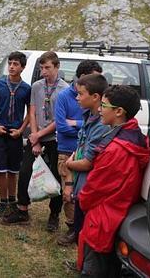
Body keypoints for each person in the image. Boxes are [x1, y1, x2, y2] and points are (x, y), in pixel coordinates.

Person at [77, 85, 150, 276]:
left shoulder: (115, 150)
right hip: (120, 211)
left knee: (94, 268)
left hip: (102, 218)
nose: (99, 109)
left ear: (118, 111)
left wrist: (82, 201)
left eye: (104, 105)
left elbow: (94, 188)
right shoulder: (137, 138)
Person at [3, 51, 68, 227]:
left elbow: (59, 120)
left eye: (47, 68)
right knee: (24, 171)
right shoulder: (37, 86)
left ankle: (54, 214)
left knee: (55, 175)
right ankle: (22, 209)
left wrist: (40, 135)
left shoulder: (65, 90)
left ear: (57, 67)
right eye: (41, 68)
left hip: (54, 138)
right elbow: (32, 111)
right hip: (36, 135)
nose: (43, 71)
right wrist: (36, 138)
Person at [54, 60, 103, 245]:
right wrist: (78, 128)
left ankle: (81, 233)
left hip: (80, 157)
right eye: (94, 77)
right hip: (69, 151)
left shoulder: (98, 113)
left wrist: (75, 123)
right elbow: (62, 127)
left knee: (81, 196)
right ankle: (73, 229)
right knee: (69, 195)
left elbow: (88, 131)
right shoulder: (65, 96)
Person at [0, 51, 31, 219]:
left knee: (13, 170)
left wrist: (21, 129)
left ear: (23, 67)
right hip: (0, 131)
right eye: (10, 63)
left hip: (15, 134)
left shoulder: (26, 88)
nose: (11, 66)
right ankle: (2, 202)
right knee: (0, 169)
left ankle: (12, 201)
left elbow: (30, 112)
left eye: (16, 64)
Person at [65, 74, 110, 242]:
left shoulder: (101, 124)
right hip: (80, 184)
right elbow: (80, 148)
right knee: (79, 228)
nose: (77, 98)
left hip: (88, 186)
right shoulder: (87, 116)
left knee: (85, 230)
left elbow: (87, 163)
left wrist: (69, 164)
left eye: (81, 94)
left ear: (95, 97)